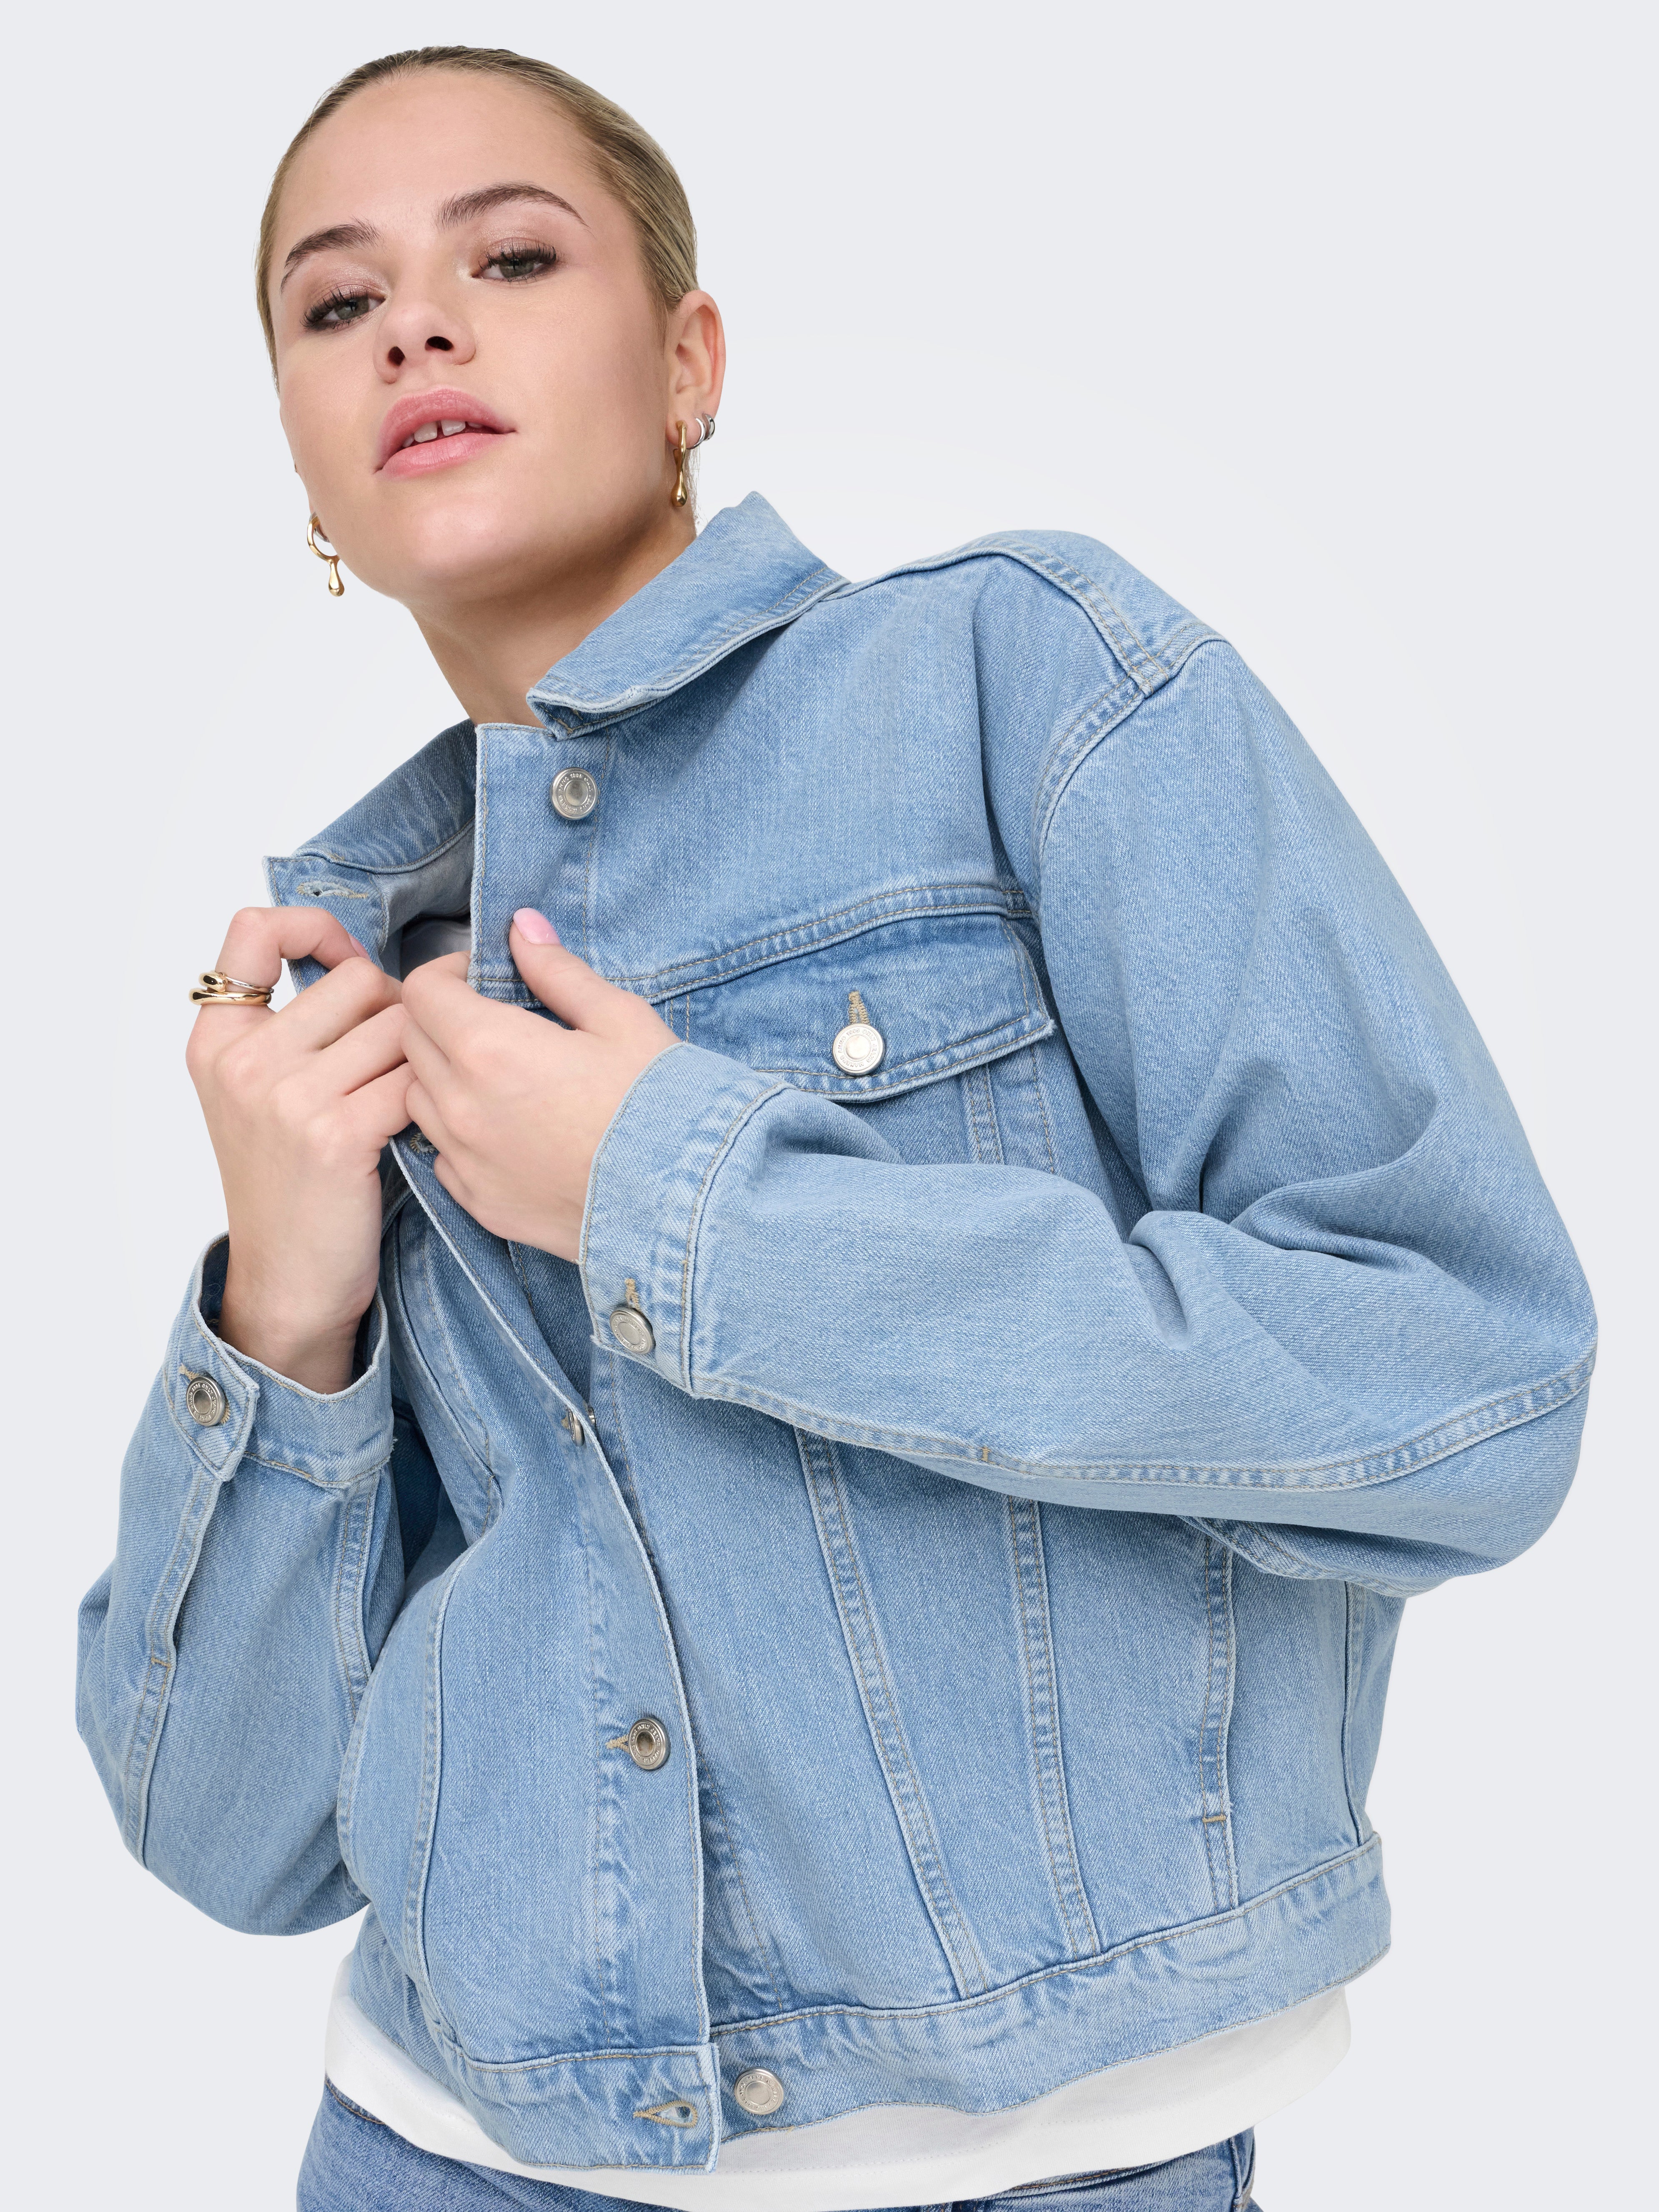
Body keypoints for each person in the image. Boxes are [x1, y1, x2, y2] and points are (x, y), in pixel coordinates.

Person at [75, 43, 1596, 2212]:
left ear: (689, 364)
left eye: (512, 259)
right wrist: (286, 1312)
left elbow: (1462, 1386)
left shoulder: (1023, 688)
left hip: (1054, 2171)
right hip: (442, 2159)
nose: (416, 327)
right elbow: (235, 1843)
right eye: (339, 304)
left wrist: (681, 1199)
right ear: (312, 472)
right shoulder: (355, 990)